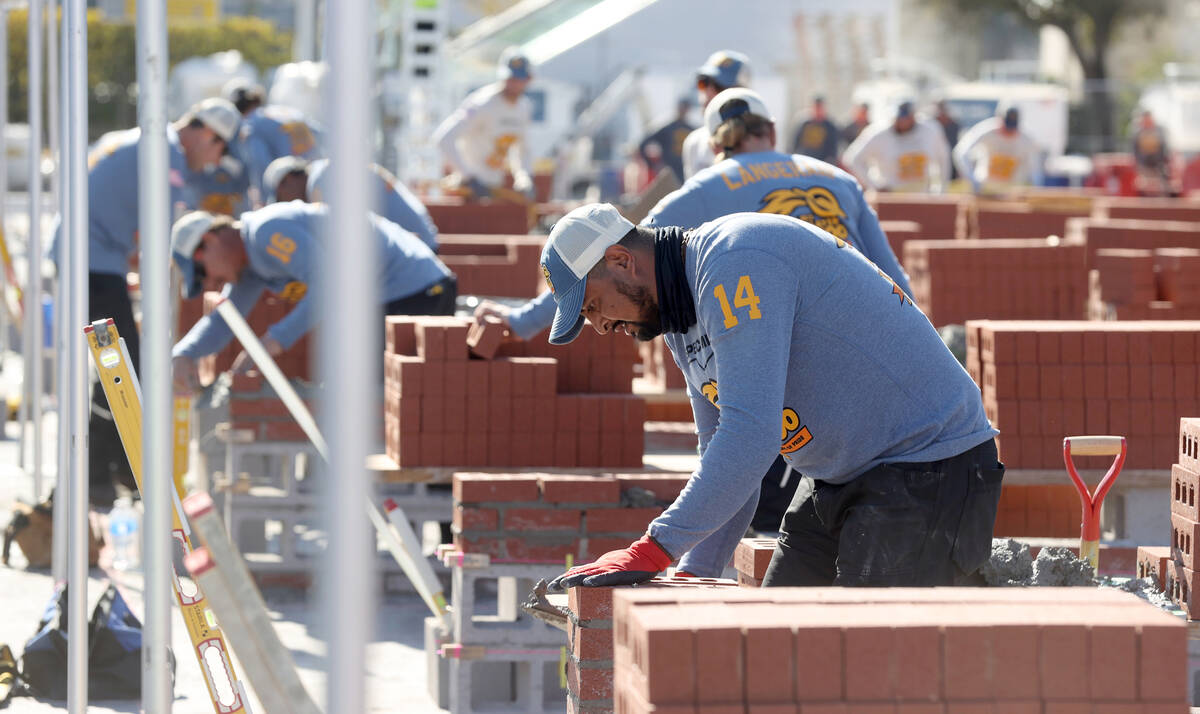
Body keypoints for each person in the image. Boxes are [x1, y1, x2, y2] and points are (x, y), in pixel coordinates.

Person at [537, 203, 1001, 590]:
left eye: (593, 305)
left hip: (928, 466)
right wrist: (692, 573)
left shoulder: (736, 260)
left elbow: (750, 435)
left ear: (621, 260)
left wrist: (652, 550)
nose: (599, 326)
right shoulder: (681, 322)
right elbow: (724, 453)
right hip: (838, 476)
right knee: (777, 646)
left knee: (861, 667)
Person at [47, 97, 240, 504]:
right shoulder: (165, 155)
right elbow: (161, 240)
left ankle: (115, 470)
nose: (211, 162)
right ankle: (102, 474)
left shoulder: (140, 140)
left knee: (115, 363)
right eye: (218, 149)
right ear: (207, 134)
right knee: (120, 364)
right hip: (92, 263)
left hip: (87, 257)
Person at [169, 202, 457, 386]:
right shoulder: (250, 267)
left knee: (378, 393)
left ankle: (399, 481)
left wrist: (270, 342)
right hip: (395, 293)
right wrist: (184, 354)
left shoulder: (266, 233)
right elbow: (224, 320)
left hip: (416, 288)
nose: (210, 284)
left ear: (209, 240)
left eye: (202, 273)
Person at [262, 156, 440, 252]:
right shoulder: (324, 170)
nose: (289, 204)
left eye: (281, 197)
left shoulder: (319, 181)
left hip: (413, 250)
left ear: (288, 180)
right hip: (420, 243)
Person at [432, 47, 535, 201]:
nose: (513, 84)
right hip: (466, 191)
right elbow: (444, 138)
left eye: (518, 80)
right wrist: (468, 177)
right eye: (510, 79)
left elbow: (522, 149)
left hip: (493, 188)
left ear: (528, 80)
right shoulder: (482, 104)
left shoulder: (523, 108)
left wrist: (523, 178)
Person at [843, 101, 952, 193]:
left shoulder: (930, 130)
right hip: (890, 195)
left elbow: (943, 157)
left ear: (913, 116)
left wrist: (941, 189)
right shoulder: (878, 133)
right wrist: (874, 186)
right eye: (900, 118)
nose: (903, 122)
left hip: (921, 194)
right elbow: (852, 158)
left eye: (906, 118)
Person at [232, 94, 323, 201]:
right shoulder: (286, 111)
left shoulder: (251, 125)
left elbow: (261, 163)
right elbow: (322, 135)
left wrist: (264, 199)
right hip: (318, 174)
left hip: (292, 183)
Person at [680, 50, 751, 180]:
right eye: (704, 82)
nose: (709, 91)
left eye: (719, 86)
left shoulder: (757, 140)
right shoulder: (694, 143)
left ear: (742, 91)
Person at [952, 105, 1042, 194]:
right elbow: (961, 151)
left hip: (1012, 192)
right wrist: (971, 179)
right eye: (1006, 127)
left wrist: (1036, 188)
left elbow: (1035, 168)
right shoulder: (985, 130)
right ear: (999, 120)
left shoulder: (1026, 139)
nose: (1008, 131)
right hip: (984, 189)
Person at [639, 98, 695, 183]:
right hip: (669, 171)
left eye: (685, 108)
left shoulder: (691, 129)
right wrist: (652, 165)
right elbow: (643, 143)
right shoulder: (667, 128)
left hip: (686, 171)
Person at [789, 95, 839, 164]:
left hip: (821, 163)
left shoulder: (830, 127)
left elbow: (833, 151)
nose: (817, 110)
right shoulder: (804, 124)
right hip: (804, 161)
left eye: (820, 107)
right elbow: (794, 145)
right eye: (816, 107)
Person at [1131, 109, 1170, 194]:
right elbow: (1135, 151)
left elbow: (1164, 149)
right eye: (1145, 119)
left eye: (1149, 119)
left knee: (1160, 190)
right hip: (1143, 168)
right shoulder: (1137, 133)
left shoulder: (1159, 132)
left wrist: (1165, 163)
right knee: (1144, 189)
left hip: (1158, 167)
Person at [933, 100, 960, 178]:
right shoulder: (932, 125)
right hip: (936, 158)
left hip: (951, 158)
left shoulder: (953, 125)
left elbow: (955, 144)